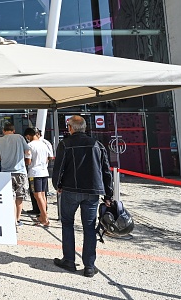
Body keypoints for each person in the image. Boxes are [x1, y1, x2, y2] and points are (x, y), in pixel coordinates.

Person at [52, 115, 113, 278]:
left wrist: (57, 185)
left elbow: (58, 168)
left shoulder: (65, 144)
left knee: (67, 224)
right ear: (84, 128)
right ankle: (89, 266)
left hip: (70, 190)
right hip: (92, 192)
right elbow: (106, 171)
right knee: (89, 227)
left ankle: (69, 260)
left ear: (70, 128)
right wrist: (108, 194)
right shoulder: (97, 145)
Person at [0, 122, 30, 227]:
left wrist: (3, 157)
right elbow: (28, 151)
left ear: (3, 131)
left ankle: (11, 220)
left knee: (10, 198)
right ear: (13, 130)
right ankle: (17, 220)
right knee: (20, 197)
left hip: (6, 173)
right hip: (20, 172)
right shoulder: (19, 137)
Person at [24, 127, 52, 227]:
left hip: (35, 173)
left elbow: (28, 161)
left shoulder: (30, 145)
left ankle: (44, 218)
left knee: (37, 195)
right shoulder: (44, 144)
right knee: (43, 195)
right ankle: (44, 215)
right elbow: (49, 157)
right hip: (44, 171)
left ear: (28, 136)